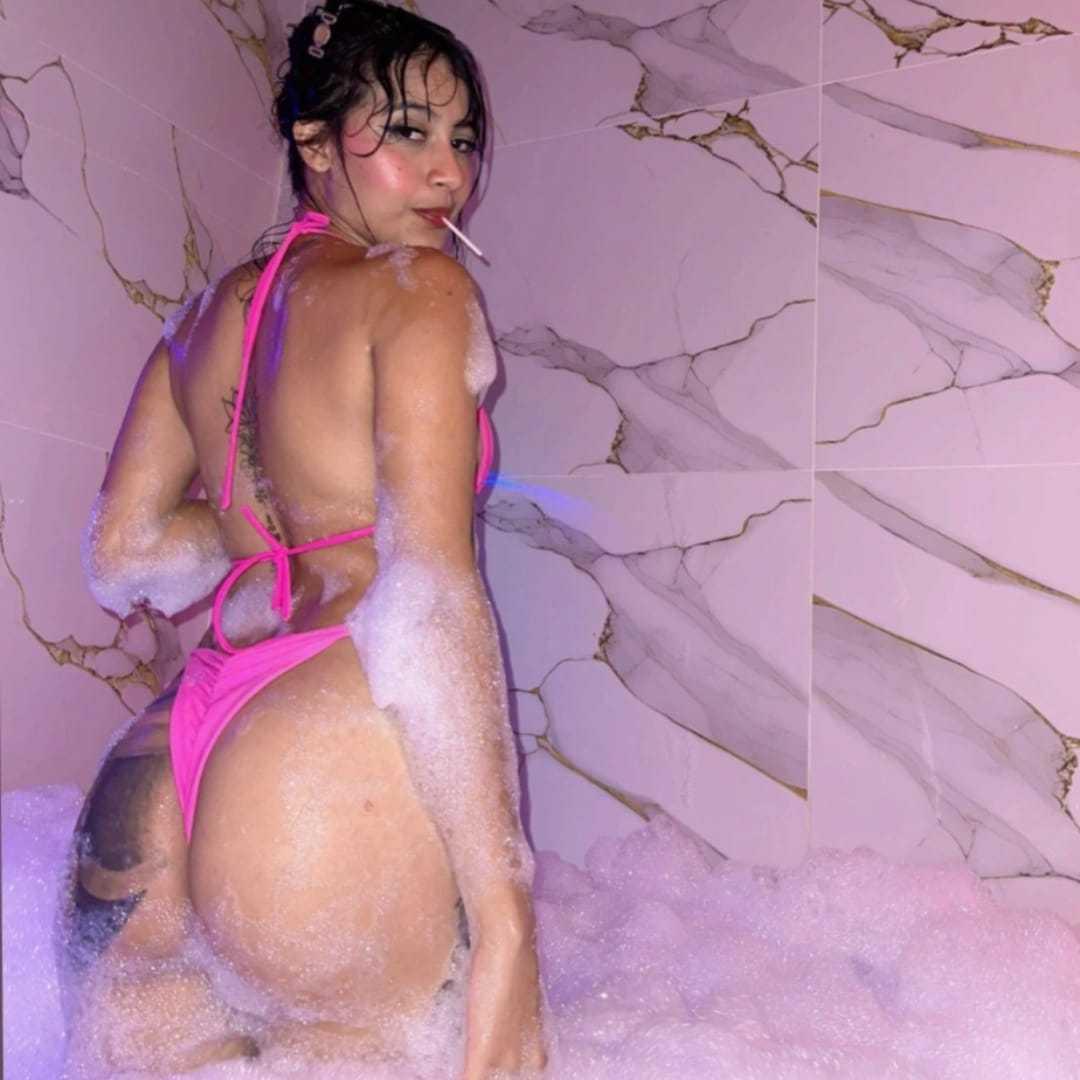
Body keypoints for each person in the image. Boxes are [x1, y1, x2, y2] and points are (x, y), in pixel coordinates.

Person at [59, 2, 547, 1075]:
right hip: (319, 747)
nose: (449, 173)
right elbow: (432, 595)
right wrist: (506, 916)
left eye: (463, 139)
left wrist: (264, 527)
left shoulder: (196, 322)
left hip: (162, 763)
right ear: (315, 143)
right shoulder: (418, 291)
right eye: (409, 131)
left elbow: (124, 553)